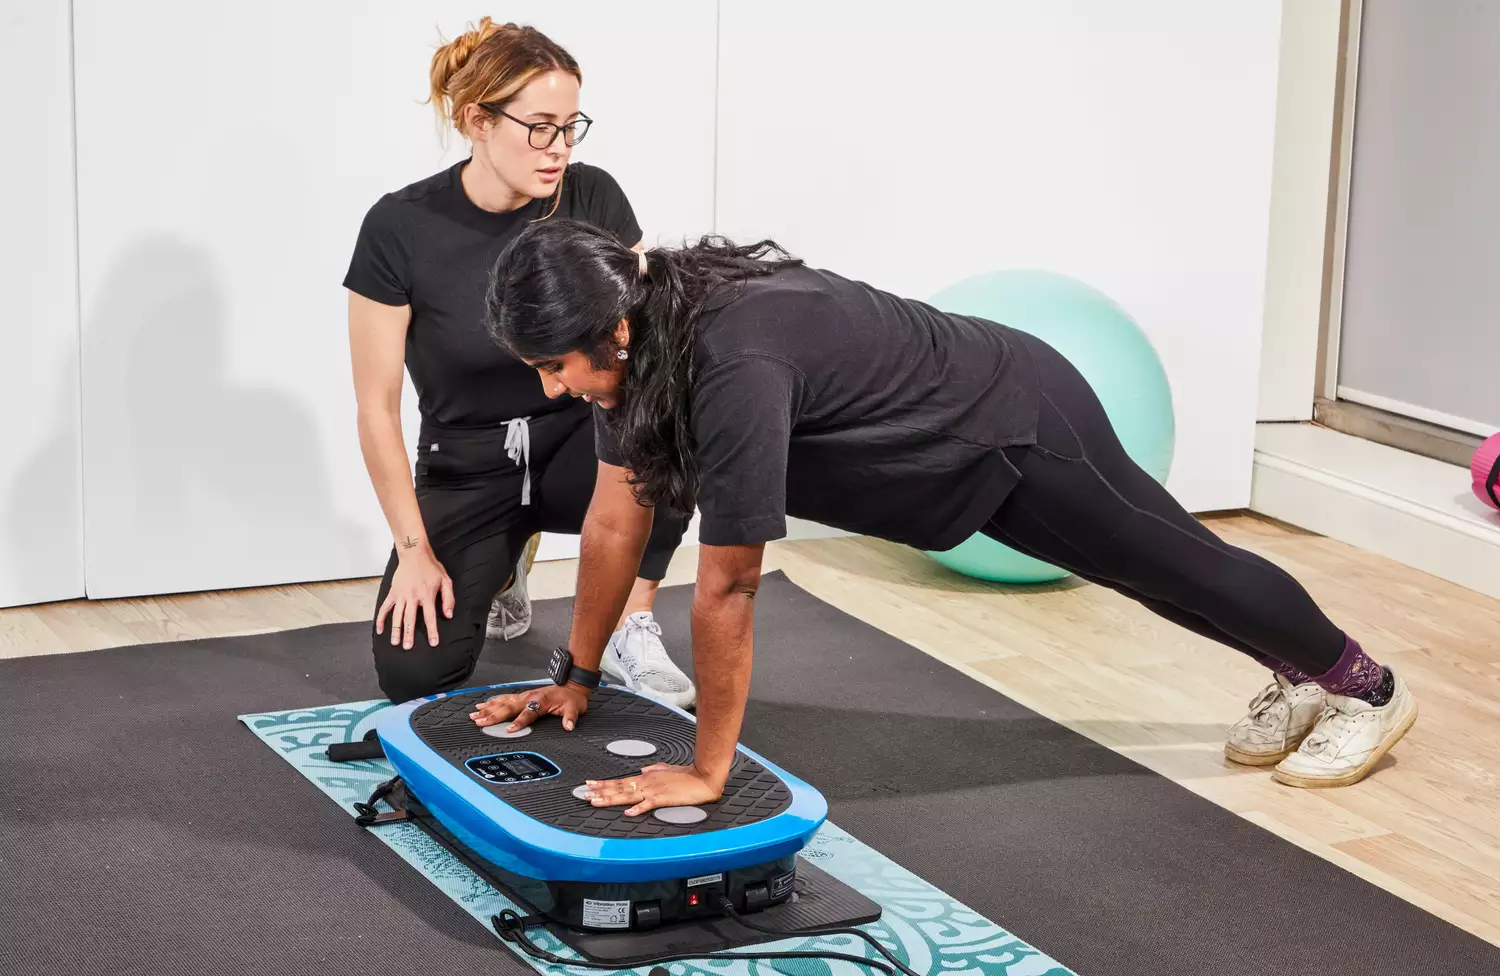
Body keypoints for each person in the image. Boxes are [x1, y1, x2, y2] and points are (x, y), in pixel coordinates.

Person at [466, 218, 1421, 810]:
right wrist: (577, 674)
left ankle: (1367, 688)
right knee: (1146, 577)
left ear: (616, 328)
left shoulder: (730, 361)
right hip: (952, 461)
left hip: (1010, 425)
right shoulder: (642, 362)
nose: (555, 386)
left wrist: (709, 770)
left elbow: (729, 584)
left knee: (1176, 563)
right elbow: (612, 523)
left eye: (558, 365)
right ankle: (1298, 671)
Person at [343, 20, 695, 709]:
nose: (559, 148)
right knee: (413, 675)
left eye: (571, 126)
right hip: (467, 462)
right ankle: (501, 564)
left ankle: (632, 621)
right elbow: (376, 406)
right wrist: (414, 548)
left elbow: (648, 335)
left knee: (680, 419)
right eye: (539, 127)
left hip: (578, 443)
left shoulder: (592, 197)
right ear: (478, 120)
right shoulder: (399, 228)